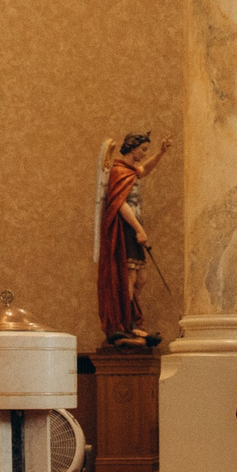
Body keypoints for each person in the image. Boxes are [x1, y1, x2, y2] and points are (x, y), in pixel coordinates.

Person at [93, 132, 171, 347]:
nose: (144, 153)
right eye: (143, 149)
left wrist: (161, 153)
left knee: (140, 279)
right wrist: (138, 229)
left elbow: (143, 170)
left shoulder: (129, 171)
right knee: (127, 279)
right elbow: (120, 204)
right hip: (124, 231)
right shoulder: (118, 171)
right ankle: (124, 325)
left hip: (133, 229)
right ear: (132, 148)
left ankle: (134, 322)